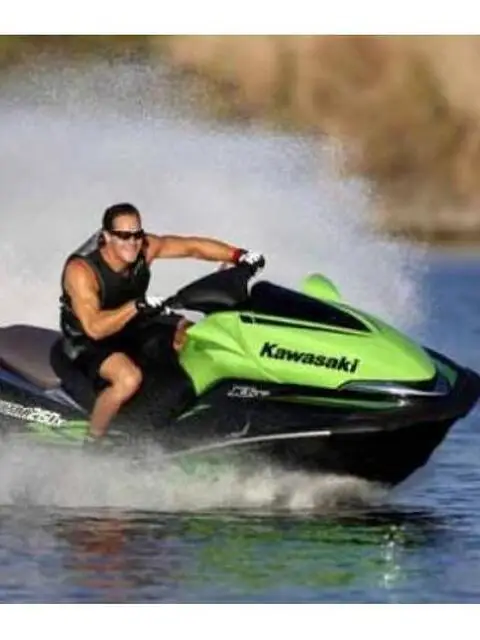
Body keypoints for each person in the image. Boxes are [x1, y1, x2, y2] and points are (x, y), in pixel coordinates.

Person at [56, 202, 265, 442]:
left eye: (137, 234)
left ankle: (183, 414)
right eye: (123, 236)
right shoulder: (81, 270)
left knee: (193, 334)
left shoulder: (144, 247)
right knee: (127, 379)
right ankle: (94, 440)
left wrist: (238, 255)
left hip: (130, 324)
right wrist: (135, 306)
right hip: (87, 341)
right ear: (107, 236)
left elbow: (191, 247)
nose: (132, 242)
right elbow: (95, 328)